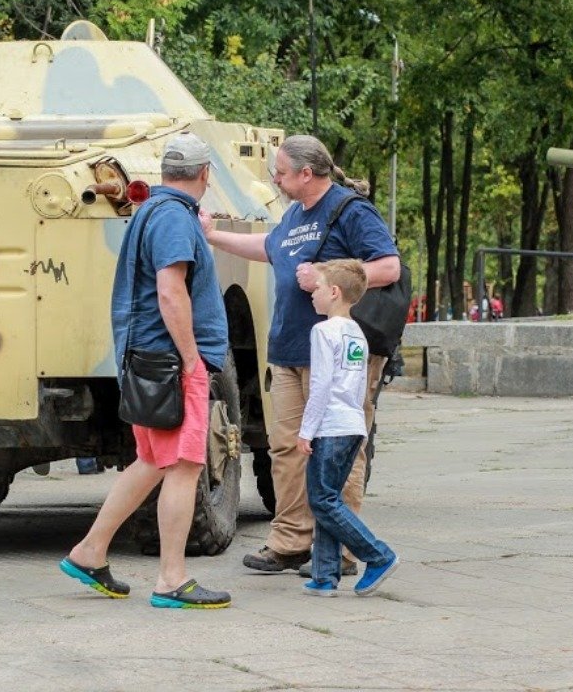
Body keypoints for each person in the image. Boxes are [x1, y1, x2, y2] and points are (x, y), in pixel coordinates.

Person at [200, 134, 399, 575]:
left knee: (338, 448)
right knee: (286, 447)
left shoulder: (350, 211)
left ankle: (344, 551)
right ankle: (291, 541)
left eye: (282, 172)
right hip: (289, 350)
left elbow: (388, 267)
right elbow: (270, 248)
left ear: (307, 174)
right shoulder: (294, 215)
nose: (275, 178)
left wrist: (328, 275)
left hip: (334, 355)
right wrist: (216, 235)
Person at [60, 132, 232, 609]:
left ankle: (89, 552)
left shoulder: (153, 212)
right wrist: (192, 358)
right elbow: (170, 291)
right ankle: (172, 579)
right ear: (204, 174)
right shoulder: (175, 220)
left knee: (153, 461)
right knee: (184, 466)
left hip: (146, 360)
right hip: (172, 362)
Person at [296, 259, 399, 597]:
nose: (313, 294)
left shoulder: (323, 331)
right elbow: (357, 386)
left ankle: (378, 555)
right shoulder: (357, 333)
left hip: (330, 427)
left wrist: (306, 430)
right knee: (330, 498)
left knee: (322, 500)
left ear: (335, 292)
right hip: (352, 424)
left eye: (319, 288)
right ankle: (325, 575)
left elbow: (321, 385)